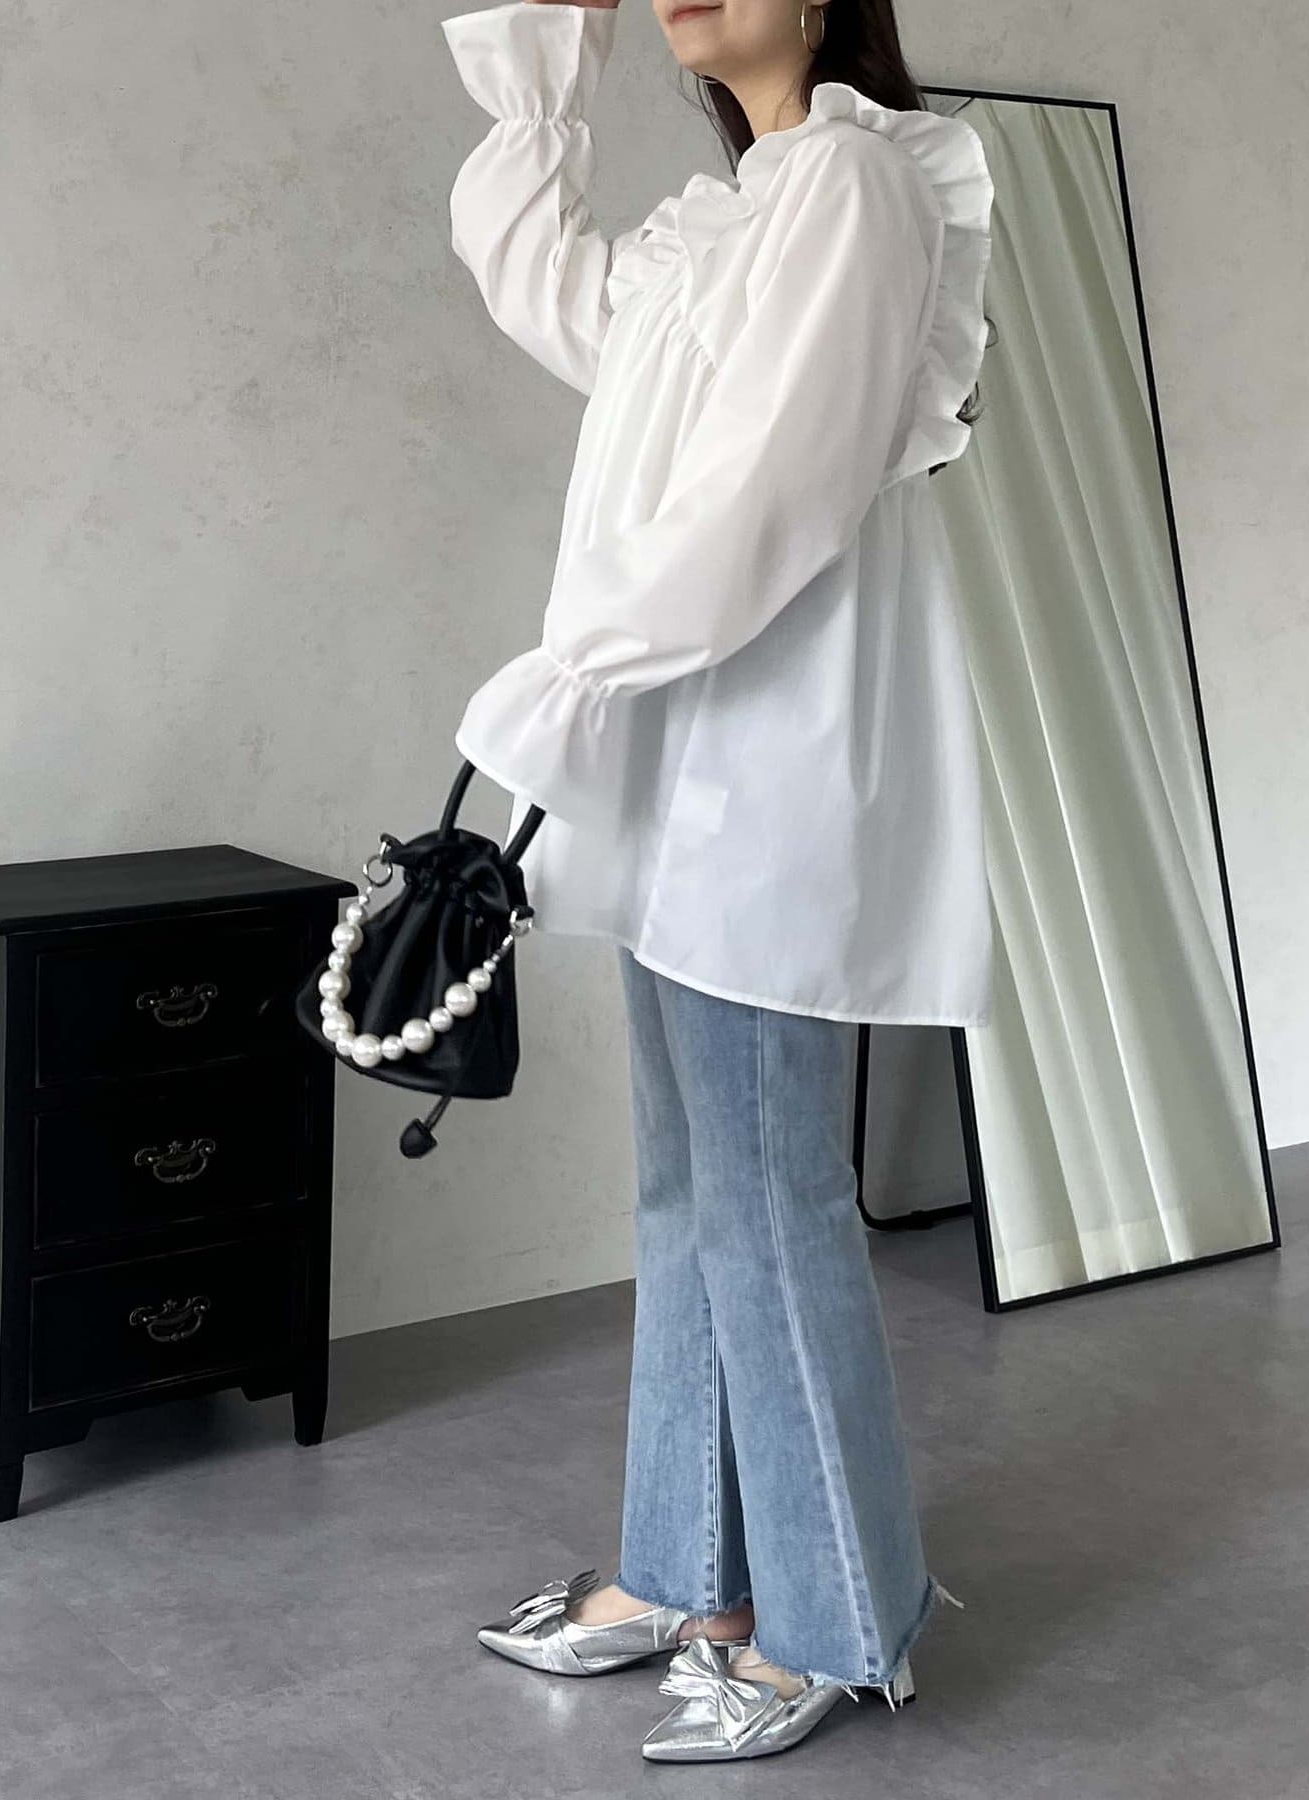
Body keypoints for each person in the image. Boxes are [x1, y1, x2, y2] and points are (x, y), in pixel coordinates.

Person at [439, 0, 995, 1763]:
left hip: (765, 774)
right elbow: (541, 282)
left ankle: (839, 1618)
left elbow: (778, 489)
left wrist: (577, 669)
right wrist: (555, 55)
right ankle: (686, 1574)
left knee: (767, 1193)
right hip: (678, 764)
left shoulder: (852, 181)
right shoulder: (723, 219)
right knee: (689, 1187)